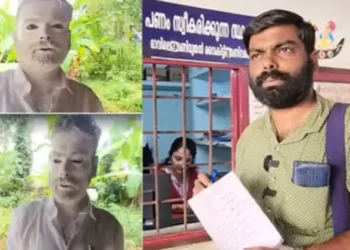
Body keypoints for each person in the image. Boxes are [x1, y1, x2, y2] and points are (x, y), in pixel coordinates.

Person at [193, 9, 350, 250]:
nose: (267, 63)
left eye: (284, 49)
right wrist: (215, 203)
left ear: (313, 60)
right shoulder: (249, 138)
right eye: (256, 54)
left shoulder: (345, 126)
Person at [7, 115, 124, 250]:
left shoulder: (111, 229)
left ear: (94, 166)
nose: (64, 171)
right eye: (57, 161)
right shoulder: (24, 218)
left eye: (76, 161)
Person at [0, 0, 103, 113]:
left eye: (57, 26)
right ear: (15, 39)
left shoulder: (87, 100)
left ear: (68, 39)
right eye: (32, 26)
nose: (45, 35)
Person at [160, 137, 200, 214]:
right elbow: (155, 208)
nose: (182, 164)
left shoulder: (197, 173)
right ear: (170, 156)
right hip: (168, 223)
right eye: (178, 159)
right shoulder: (159, 175)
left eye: (188, 160)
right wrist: (180, 207)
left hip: (193, 221)